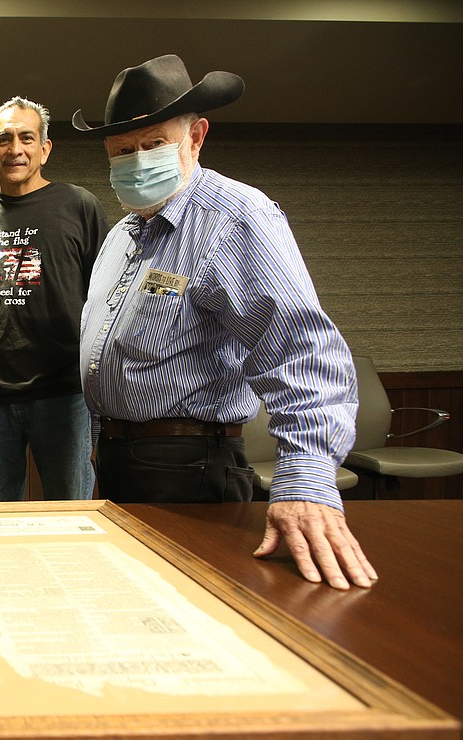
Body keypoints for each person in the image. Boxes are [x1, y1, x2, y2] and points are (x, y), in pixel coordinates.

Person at [72, 54, 376, 590]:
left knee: (196, 614)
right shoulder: (121, 236)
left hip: (190, 467)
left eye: (153, 144)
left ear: (196, 136)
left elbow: (301, 349)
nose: (137, 160)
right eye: (123, 151)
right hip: (119, 458)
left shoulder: (231, 216)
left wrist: (305, 482)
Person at [0, 97, 107, 501]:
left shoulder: (79, 206)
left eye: (27, 137)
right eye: (4, 140)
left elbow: (104, 295)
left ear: (45, 148)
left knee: (73, 511)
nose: (15, 149)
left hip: (65, 393)